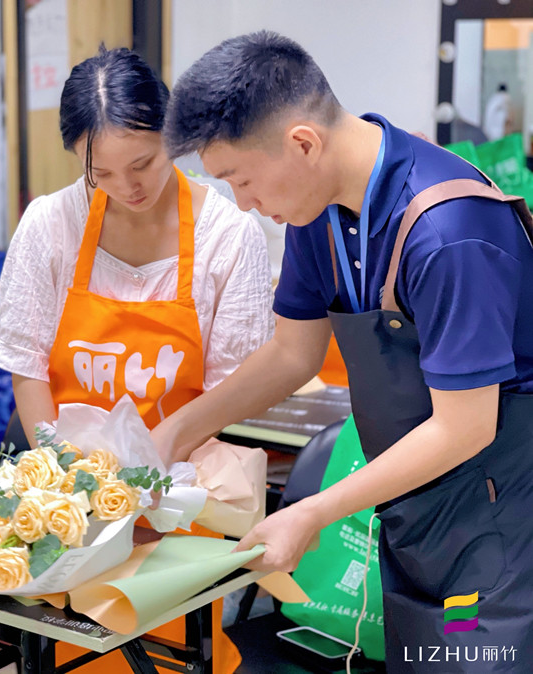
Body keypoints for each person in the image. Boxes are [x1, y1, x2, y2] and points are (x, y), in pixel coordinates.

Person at [156, 31, 533, 669]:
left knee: (475, 658)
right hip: (417, 504)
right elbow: (292, 355)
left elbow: (465, 426)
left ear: (303, 142)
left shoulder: (448, 232)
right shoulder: (319, 210)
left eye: (241, 180)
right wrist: (171, 434)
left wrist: (313, 511)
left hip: (496, 512)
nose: (244, 204)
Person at [0, 46, 274, 673]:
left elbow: (232, 389)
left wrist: (150, 497)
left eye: (142, 162)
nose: (128, 187)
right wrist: (61, 481)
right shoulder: (50, 225)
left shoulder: (228, 236)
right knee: (69, 649)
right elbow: (28, 364)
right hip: (73, 510)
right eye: (102, 174)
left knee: (169, 652)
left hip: (178, 496)